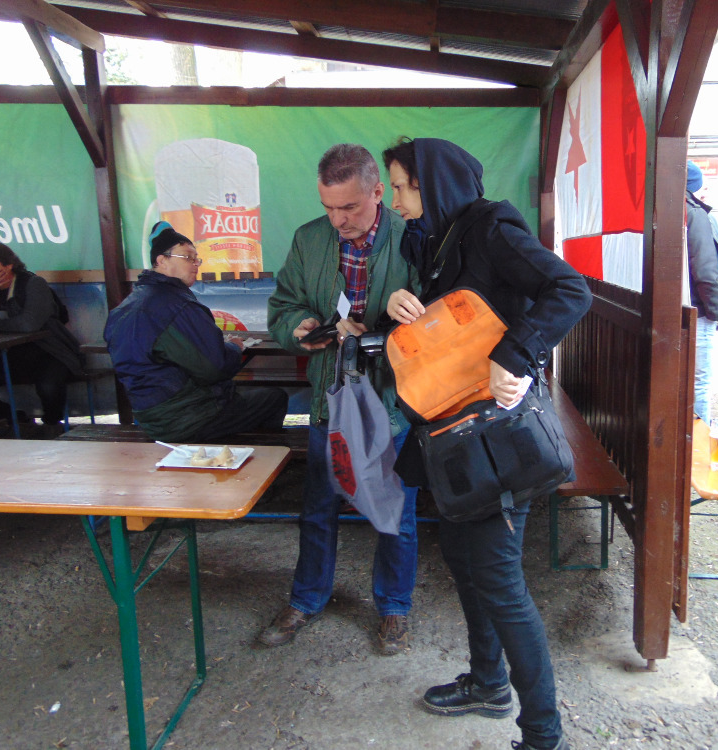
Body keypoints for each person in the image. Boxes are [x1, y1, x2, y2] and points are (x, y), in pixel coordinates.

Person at [382, 137, 590, 750]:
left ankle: (544, 734)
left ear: (433, 184)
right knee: (464, 560)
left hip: (501, 441)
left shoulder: (491, 229)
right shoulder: (435, 242)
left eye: (402, 186)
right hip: (456, 439)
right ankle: (488, 682)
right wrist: (398, 305)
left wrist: (516, 354)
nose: (395, 200)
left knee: (499, 580)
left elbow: (569, 290)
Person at [262, 143, 420, 656]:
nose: (338, 220)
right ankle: (306, 598)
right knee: (318, 507)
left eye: (349, 207)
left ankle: (394, 606)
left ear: (378, 192)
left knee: (395, 512)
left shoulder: (412, 238)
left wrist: (389, 321)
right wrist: (299, 327)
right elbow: (283, 306)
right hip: (329, 398)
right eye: (329, 207)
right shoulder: (309, 239)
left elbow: (439, 322)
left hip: (392, 402)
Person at [105, 222, 288, 443]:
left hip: (149, 418)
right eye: (187, 257)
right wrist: (234, 347)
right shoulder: (176, 306)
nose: (195, 264)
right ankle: (263, 459)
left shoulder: (125, 307)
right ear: (161, 261)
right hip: (188, 418)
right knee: (274, 398)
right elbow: (215, 368)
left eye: (196, 259)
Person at [0, 242, 82, 431]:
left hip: (48, 352)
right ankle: (14, 418)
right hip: (5, 355)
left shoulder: (33, 283)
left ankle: (52, 425)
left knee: (49, 387)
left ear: (8, 265)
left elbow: (29, 324)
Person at [686, 161, 718, 422]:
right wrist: (716, 311)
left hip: (681, 305)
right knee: (699, 380)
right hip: (698, 310)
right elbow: (705, 270)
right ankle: (698, 437)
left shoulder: (670, 208)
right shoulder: (696, 213)